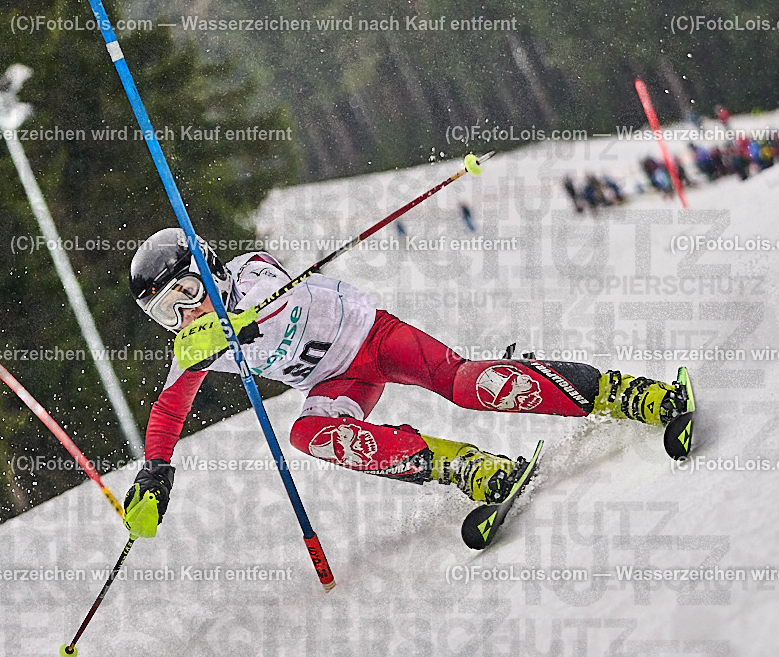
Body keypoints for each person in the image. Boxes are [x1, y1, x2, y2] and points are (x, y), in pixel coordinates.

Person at [120, 228, 688, 535]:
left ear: (207, 270)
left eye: (187, 295)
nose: (185, 317)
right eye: (168, 314)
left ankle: (619, 392)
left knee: (467, 385)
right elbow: (168, 411)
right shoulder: (197, 346)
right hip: (337, 381)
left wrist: (238, 323)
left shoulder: (248, 272)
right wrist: (156, 469)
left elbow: (283, 292)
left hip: (373, 337)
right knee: (307, 434)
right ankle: (466, 466)